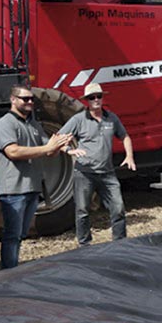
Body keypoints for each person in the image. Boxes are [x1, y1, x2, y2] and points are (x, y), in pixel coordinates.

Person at [0, 84, 72, 269]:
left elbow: (49, 148)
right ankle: (8, 272)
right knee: (12, 234)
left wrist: (64, 146)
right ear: (13, 100)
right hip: (13, 190)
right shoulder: (5, 124)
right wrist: (47, 148)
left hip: (31, 188)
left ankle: (13, 268)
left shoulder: (33, 124)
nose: (29, 102)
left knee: (20, 234)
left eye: (31, 99)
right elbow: (13, 152)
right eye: (25, 99)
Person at [59, 82, 135, 246]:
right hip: (84, 173)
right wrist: (68, 150)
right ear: (86, 100)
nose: (96, 100)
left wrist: (129, 156)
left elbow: (125, 137)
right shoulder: (78, 119)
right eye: (92, 97)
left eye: (98, 96)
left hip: (107, 172)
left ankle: (120, 243)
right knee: (82, 211)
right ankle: (84, 245)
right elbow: (58, 137)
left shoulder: (111, 118)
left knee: (118, 208)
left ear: (102, 98)